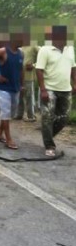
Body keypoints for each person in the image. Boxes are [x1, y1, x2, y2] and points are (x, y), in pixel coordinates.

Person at [35, 26, 76, 157]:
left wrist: (75, 82)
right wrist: (43, 90)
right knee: (47, 116)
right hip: (49, 88)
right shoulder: (45, 50)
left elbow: (73, 67)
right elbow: (39, 70)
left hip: (66, 89)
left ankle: (47, 134)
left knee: (65, 117)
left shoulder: (70, 49)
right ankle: (49, 145)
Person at [0, 36, 24, 150]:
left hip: (15, 88)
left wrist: (22, 85)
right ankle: (8, 139)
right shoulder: (2, 51)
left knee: (9, 114)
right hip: (4, 89)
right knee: (6, 113)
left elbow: (21, 70)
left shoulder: (21, 54)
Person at [15, 45, 40, 122]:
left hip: (29, 76)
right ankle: (19, 114)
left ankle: (31, 116)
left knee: (29, 96)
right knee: (19, 96)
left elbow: (43, 56)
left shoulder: (34, 46)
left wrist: (33, 65)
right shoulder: (20, 47)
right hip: (19, 76)